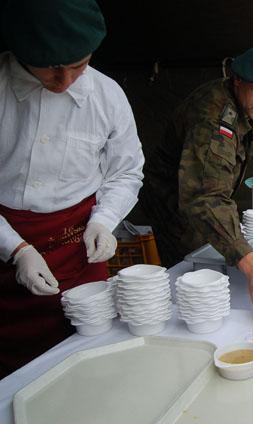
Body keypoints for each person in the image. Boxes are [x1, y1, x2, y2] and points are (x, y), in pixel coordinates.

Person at [0, 0, 145, 377]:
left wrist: (105, 219)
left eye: (78, 66)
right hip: (5, 240)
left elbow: (126, 172)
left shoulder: (107, 95)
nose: (64, 81)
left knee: (85, 358)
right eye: (49, 68)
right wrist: (15, 249)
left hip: (76, 247)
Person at [143, 46, 253, 317]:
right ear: (237, 80)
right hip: (176, 208)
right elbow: (204, 197)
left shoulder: (239, 104)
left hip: (197, 200)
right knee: (195, 287)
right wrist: (251, 263)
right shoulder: (214, 119)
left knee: (220, 268)